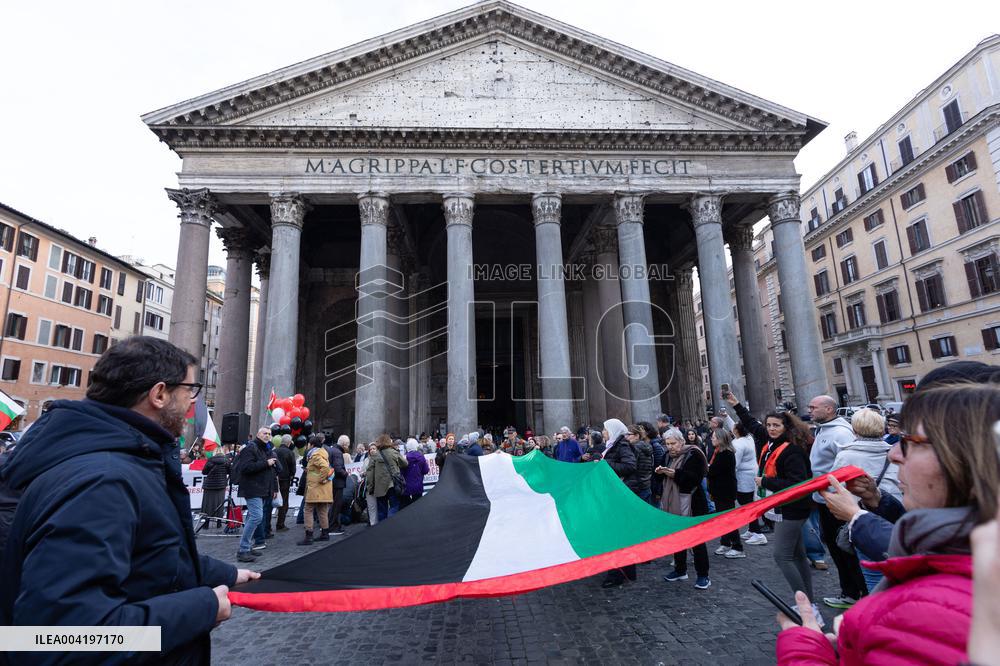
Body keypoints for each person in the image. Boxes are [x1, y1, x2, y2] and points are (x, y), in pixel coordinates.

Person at [0, 336, 258, 664]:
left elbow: (150, 553)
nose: (192, 403)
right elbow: (58, 642)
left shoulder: (116, 461)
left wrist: (225, 574)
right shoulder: (102, 480)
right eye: (190, 390)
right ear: (159, 394)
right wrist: (201, 609)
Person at [776, 382, 1000, 665]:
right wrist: (877, 501)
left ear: (965, 459)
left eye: (911, 442)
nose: (893, 454)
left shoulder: (927, 609)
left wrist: (805, 649)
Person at [726, 390, 821, 620]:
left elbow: (798, 483)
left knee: (782, 556)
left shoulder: (792, 450)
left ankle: (807, 608)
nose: (771, 429)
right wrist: (736, 404)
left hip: (792, 508)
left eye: (776, 425)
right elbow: (752, 425)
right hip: (785, 507)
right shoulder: (771, 442)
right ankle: (810, 604)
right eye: (769, 425)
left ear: (786, 427)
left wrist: (766, 481)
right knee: (797, 555)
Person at [807, 394, 866, 609]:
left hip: (836, 500)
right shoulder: (824, 430)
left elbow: (847, 467)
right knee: (834, 547)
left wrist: (832, 492)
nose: (810, 410)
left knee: (843, 548)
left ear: (829, 409)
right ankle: (850, 591)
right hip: (825, 498)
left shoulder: (840, 433)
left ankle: (856, 592)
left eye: (814, 407)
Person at [658, 427, 711, 589]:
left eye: (673, 443)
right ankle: (680, 570)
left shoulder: (694, 454)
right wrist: (660, 472)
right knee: (677, 536)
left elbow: (695, 478)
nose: (670, 447)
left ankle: (703, 575)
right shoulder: (667, 455)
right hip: (673, 500)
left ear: (681, 441)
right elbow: (661, 477)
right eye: (667, 444)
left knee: (697, 540)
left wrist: (675, 474)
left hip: (693, 502)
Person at [600, 418, 637, 587]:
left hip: (619, 494)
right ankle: (626, 570)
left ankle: (616, 573)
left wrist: (604, 463)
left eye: (605, 429)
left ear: (613, 430)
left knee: (616, 534)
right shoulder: (613, 445)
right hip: (613, 493)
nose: (603, 432)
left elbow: (630, 466)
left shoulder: (622, 445)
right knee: (619, 533)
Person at [236, 427, 277, 562]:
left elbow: (271, 471)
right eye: (265, 433)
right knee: (257, 517)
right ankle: (243, 550)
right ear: (258, 434)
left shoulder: (265, 449)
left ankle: (247, 546)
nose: (267, 436)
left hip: (261, 488)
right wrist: (266, 463)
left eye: (269, 434)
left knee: (252, 517)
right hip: (252, 488)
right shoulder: (250, 448)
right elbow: (246, 468)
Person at [707, 428, 743, 558]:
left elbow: (713, 471)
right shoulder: (718, 451)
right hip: (719, 491)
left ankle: (737, 547)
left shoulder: (726, 454)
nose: (712, 439)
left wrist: (707, 468)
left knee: (729, 519)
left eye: (714, 437)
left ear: (721, 439)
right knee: (722, 519)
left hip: (725, 491)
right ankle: (725, 542)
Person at [732, 423, 764, 545]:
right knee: (749, 501)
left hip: (744, 477)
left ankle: (758, 534)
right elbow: (734, 426)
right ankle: (752, 530)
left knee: (746, 503)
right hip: (752, 473)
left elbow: (735, 464)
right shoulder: (748, 437)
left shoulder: (738, 444)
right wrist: (726, 417)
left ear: (736, 431)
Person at [298, 435, 332, 545]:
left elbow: (325, 467)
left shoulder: (315, 455)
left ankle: (309, 536)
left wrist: (321, 479)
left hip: (315, 487)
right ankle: (325, 534)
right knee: (322, 510)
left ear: (311, 445)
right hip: (322, 488)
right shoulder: (322, 453)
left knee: (308, 510)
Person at [366, 434, 408, 521]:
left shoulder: (374, 456)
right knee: (394, 506)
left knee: (381, 510)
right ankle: (391, 524)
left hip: (379, 487)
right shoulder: (393, 452)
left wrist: (370, 487)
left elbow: (370, 473)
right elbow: (405, 463)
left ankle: (383, 527)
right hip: (392, 484)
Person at [200, 443, 232, 530]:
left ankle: (206, 524)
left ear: (214, 452)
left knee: (207, 504)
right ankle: (219, 523)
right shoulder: (226, 460)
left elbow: (204, 472)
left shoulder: (210, 460)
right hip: (221, 485)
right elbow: (230, 471)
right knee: (219, 503)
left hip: (209, 485)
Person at [326, 434, 348, 536]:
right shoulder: (338, 452)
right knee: (336, 506)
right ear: (344, 444)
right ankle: (333, 527)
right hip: (337, 483)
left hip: (332, 482)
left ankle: (329, 525)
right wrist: (346, 474)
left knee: (332, 505)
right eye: (347, 445)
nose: (348, 447)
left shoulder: (332, 450)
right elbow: (338, 469)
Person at [274, 434, 296, 531]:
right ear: (289, 443)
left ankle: (267, 526)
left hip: (274, 479)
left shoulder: (274, 451)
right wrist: (291, 475)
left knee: (270, 501)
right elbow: (293, 469)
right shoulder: (290, 453)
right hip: (285, 480)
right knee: (284, 502)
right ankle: (280, 524)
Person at [401, 438, 430, 508]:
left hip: (406, 486)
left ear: (407, 447)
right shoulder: (421, 457)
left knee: (406, 507)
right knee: (417, 506)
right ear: (416, 446)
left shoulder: (404, 458)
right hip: (418, 485)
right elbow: (426, 470)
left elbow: (401, 472)